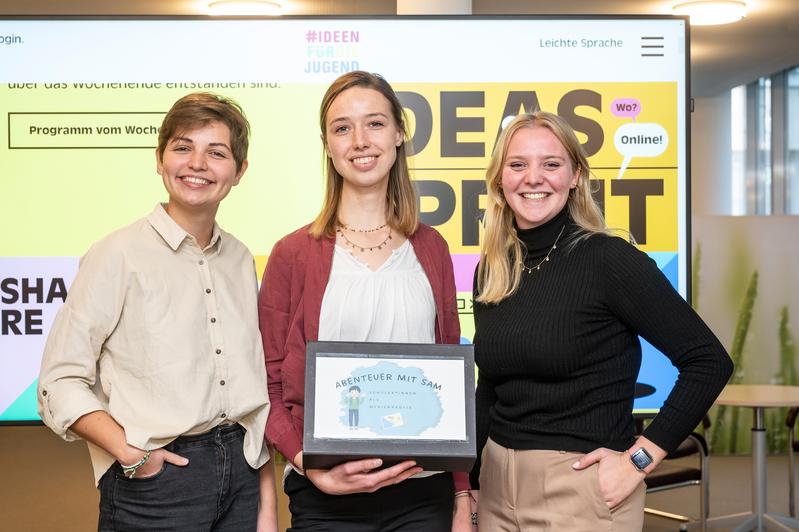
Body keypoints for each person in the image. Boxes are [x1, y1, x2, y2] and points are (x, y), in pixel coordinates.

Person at [470, 111, 733, 531]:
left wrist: (639, 460)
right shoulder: (494, 270)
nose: (533, 178)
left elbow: (708, 361)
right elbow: (490, 389)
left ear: (575, 176)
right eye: (518, 164)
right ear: (500, 179)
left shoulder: (610, 260)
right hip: (496, 485)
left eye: (551, 164)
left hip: (581, 489)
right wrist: (470, 482)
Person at [38, 92, 277, 532]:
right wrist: (132, 456)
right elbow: (59, 381)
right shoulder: (117, 254)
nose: (197, 163)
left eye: (216, 152)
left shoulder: (241, 259)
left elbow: (252, 393)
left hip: (242, 472)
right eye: (183, 147)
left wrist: (265, 505)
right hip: (157, 481)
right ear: (160, 158)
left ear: (239, 171)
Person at [259, 71, 472, 531]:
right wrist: (305, 462)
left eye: (374, 124)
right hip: (324, 496)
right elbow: (268, 380)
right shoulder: (292, 254)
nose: (360, 141)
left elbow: (451, 381)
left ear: (399, 134)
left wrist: (461, 493)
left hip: (422, 493)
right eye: (342, 128)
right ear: (328, 145)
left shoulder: (432, 248)